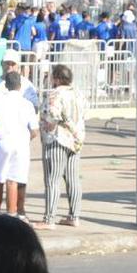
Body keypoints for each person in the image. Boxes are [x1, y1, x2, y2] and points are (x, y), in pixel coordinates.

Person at [0, 49, 39, 211]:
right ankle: (1, 212)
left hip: (9, 141)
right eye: (7, 64)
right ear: (2, 64)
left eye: (12, 64)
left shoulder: (27, 86)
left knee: (10, 179)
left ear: (18, 66)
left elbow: (35, 109)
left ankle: (16, 210)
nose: (9, 66)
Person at [35, 64, 87, 228]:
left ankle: (49, 219)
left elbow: (52, 114)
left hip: (57, 139)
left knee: (52, 179)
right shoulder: (78, 93)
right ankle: (74, 216)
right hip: (76, 139)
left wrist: (49, 125)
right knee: (73, 179)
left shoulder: (55, 94)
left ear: (56, 78)